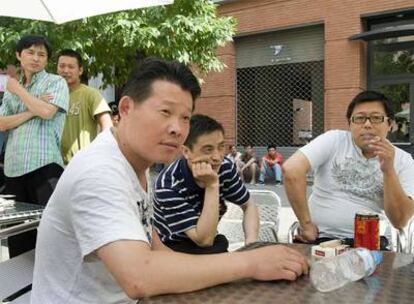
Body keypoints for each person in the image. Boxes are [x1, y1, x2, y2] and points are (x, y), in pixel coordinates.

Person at [31, 58, 308, 304]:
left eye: (185, 117)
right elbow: (140, 276)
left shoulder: (136, 166)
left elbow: (157, 251)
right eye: (165, 112)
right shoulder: (99, 171)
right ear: (126, 108)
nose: (177, 128)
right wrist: (250, 262)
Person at [283, 90, 414, 249]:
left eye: (376, 118)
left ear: (390, 125)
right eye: (359, 118)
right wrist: (306, 223)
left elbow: (400, 220)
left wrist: (389, 170)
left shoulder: (403, 160)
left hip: (371, 244)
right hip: (321, 240)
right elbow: (291, 170)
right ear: (350, 124)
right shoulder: (334, 140)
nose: (367, 124)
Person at [0, 35, 69, 257]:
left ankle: (55, 286)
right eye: (30, 52)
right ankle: (21, 290)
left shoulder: (56, 82)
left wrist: (19, 90)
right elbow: (2, 123)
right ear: (19, 55)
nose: (36, 58)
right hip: (13, 168)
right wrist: (33, 108)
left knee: (52, 231)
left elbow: (48, 113)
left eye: (42, 54)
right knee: (17, 235)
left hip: (45, 165)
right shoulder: (11, 90)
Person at [154, 115, 260, 254]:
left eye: (221, 147)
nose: (217, 157)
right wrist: (212, 185)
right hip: (173, 248)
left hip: (212, 241)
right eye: (208, 150)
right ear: (186, 152)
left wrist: (250, 247)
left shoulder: (225, 167)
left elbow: (249, 205)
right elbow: (204, 240)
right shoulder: (168, 184)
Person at [57, 49, 112, 164]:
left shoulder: (90, 94)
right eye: (62, 66)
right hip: (55, 165)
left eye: (71, 67)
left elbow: (107, 127)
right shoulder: (52, 97)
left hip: (84, 163)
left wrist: (99, 154)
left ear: (80, 70)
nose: (65, 70)